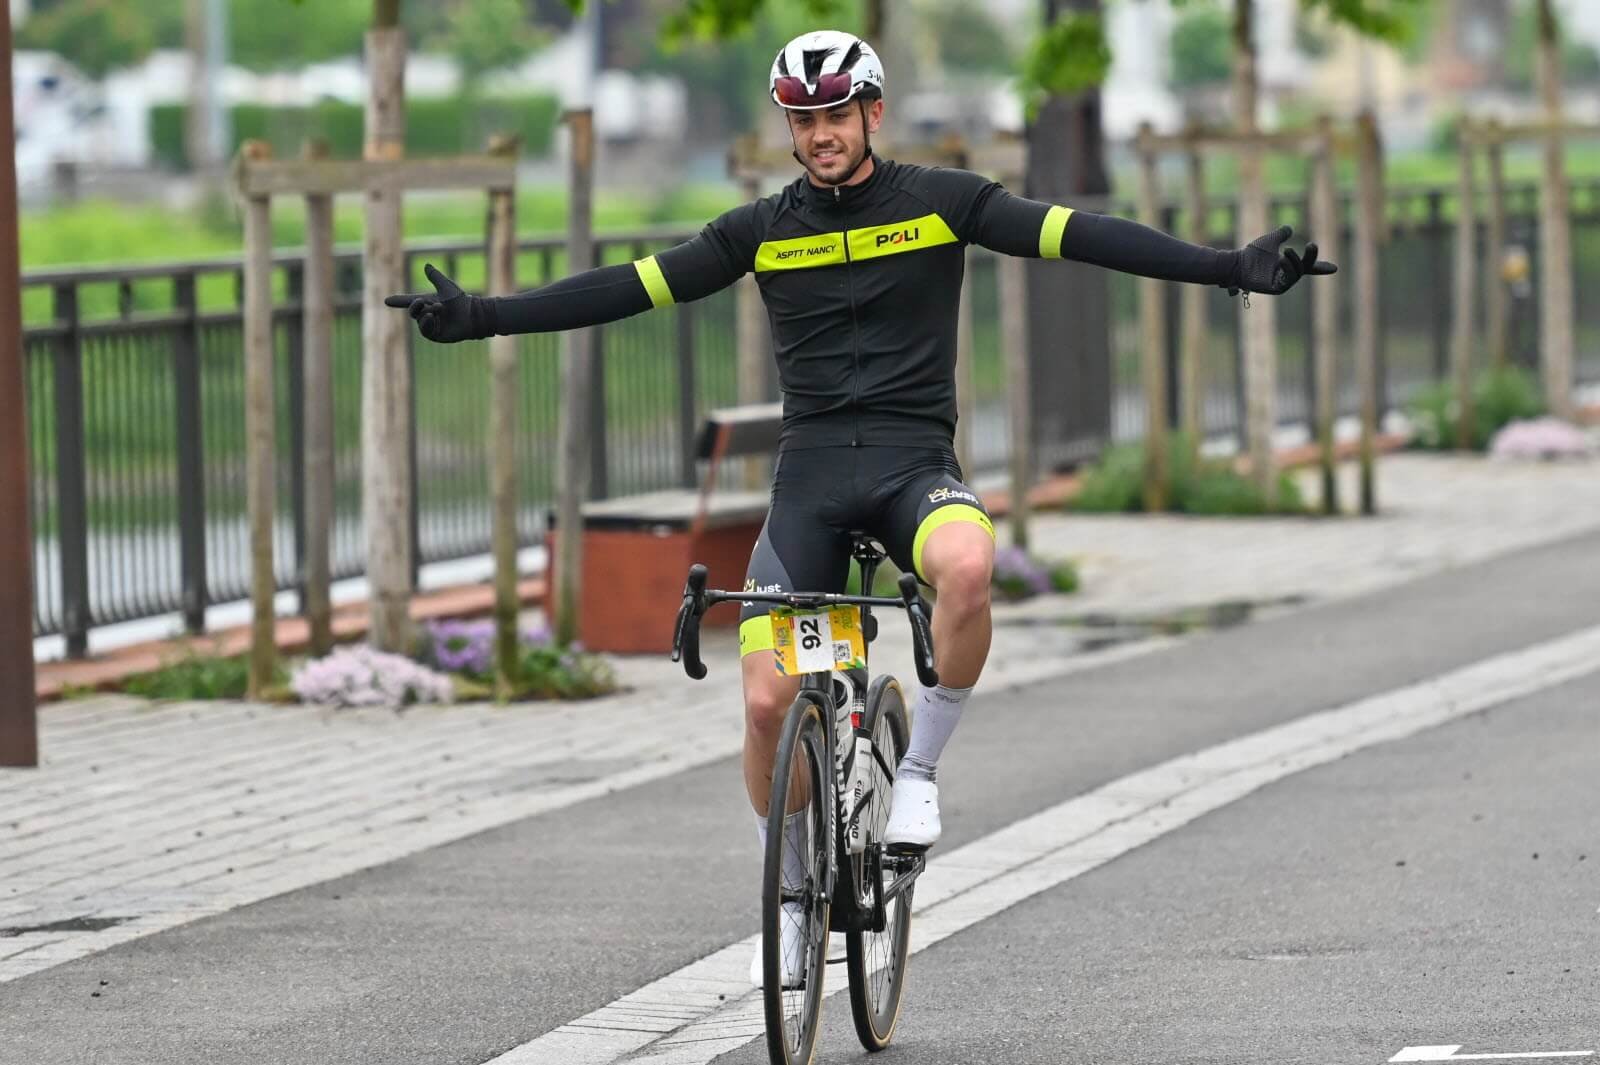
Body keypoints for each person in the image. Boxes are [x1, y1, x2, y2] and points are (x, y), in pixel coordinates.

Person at [388, 30, 1336, 987]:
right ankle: (796, 886)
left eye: (836, 114)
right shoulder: (756, 229)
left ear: (872, 113)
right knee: (764, 701)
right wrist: (485, 316)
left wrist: (1226, 267)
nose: (820, 134)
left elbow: (1079, 234)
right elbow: (626, 289)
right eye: (803, 119)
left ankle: (917, 771)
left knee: (967, 566)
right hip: (809, 482)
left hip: (911, 467)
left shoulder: (943, 202)